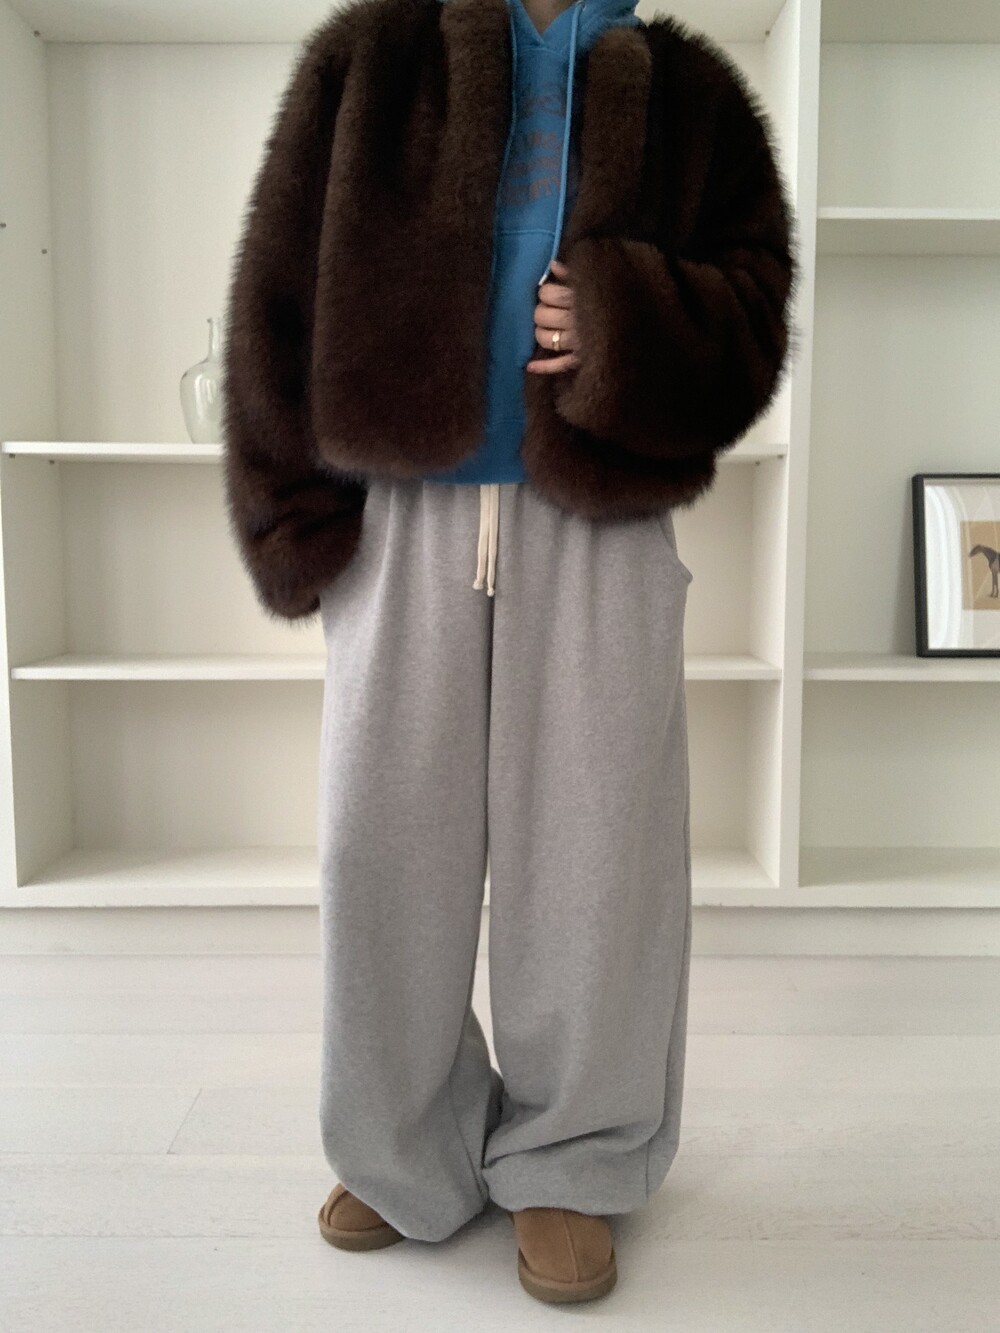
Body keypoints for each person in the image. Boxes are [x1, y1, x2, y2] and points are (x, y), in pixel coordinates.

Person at [221, 0, 798, 1305]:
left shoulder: (691, 91)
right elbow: (278, 283)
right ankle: (400, 1141)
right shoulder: (369, 58)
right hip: (399, 514)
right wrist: (287, 510)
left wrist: (625, 318)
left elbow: (756, 311)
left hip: (601, 515)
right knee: (381, 843)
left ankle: (572, 1160)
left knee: (597, 860)